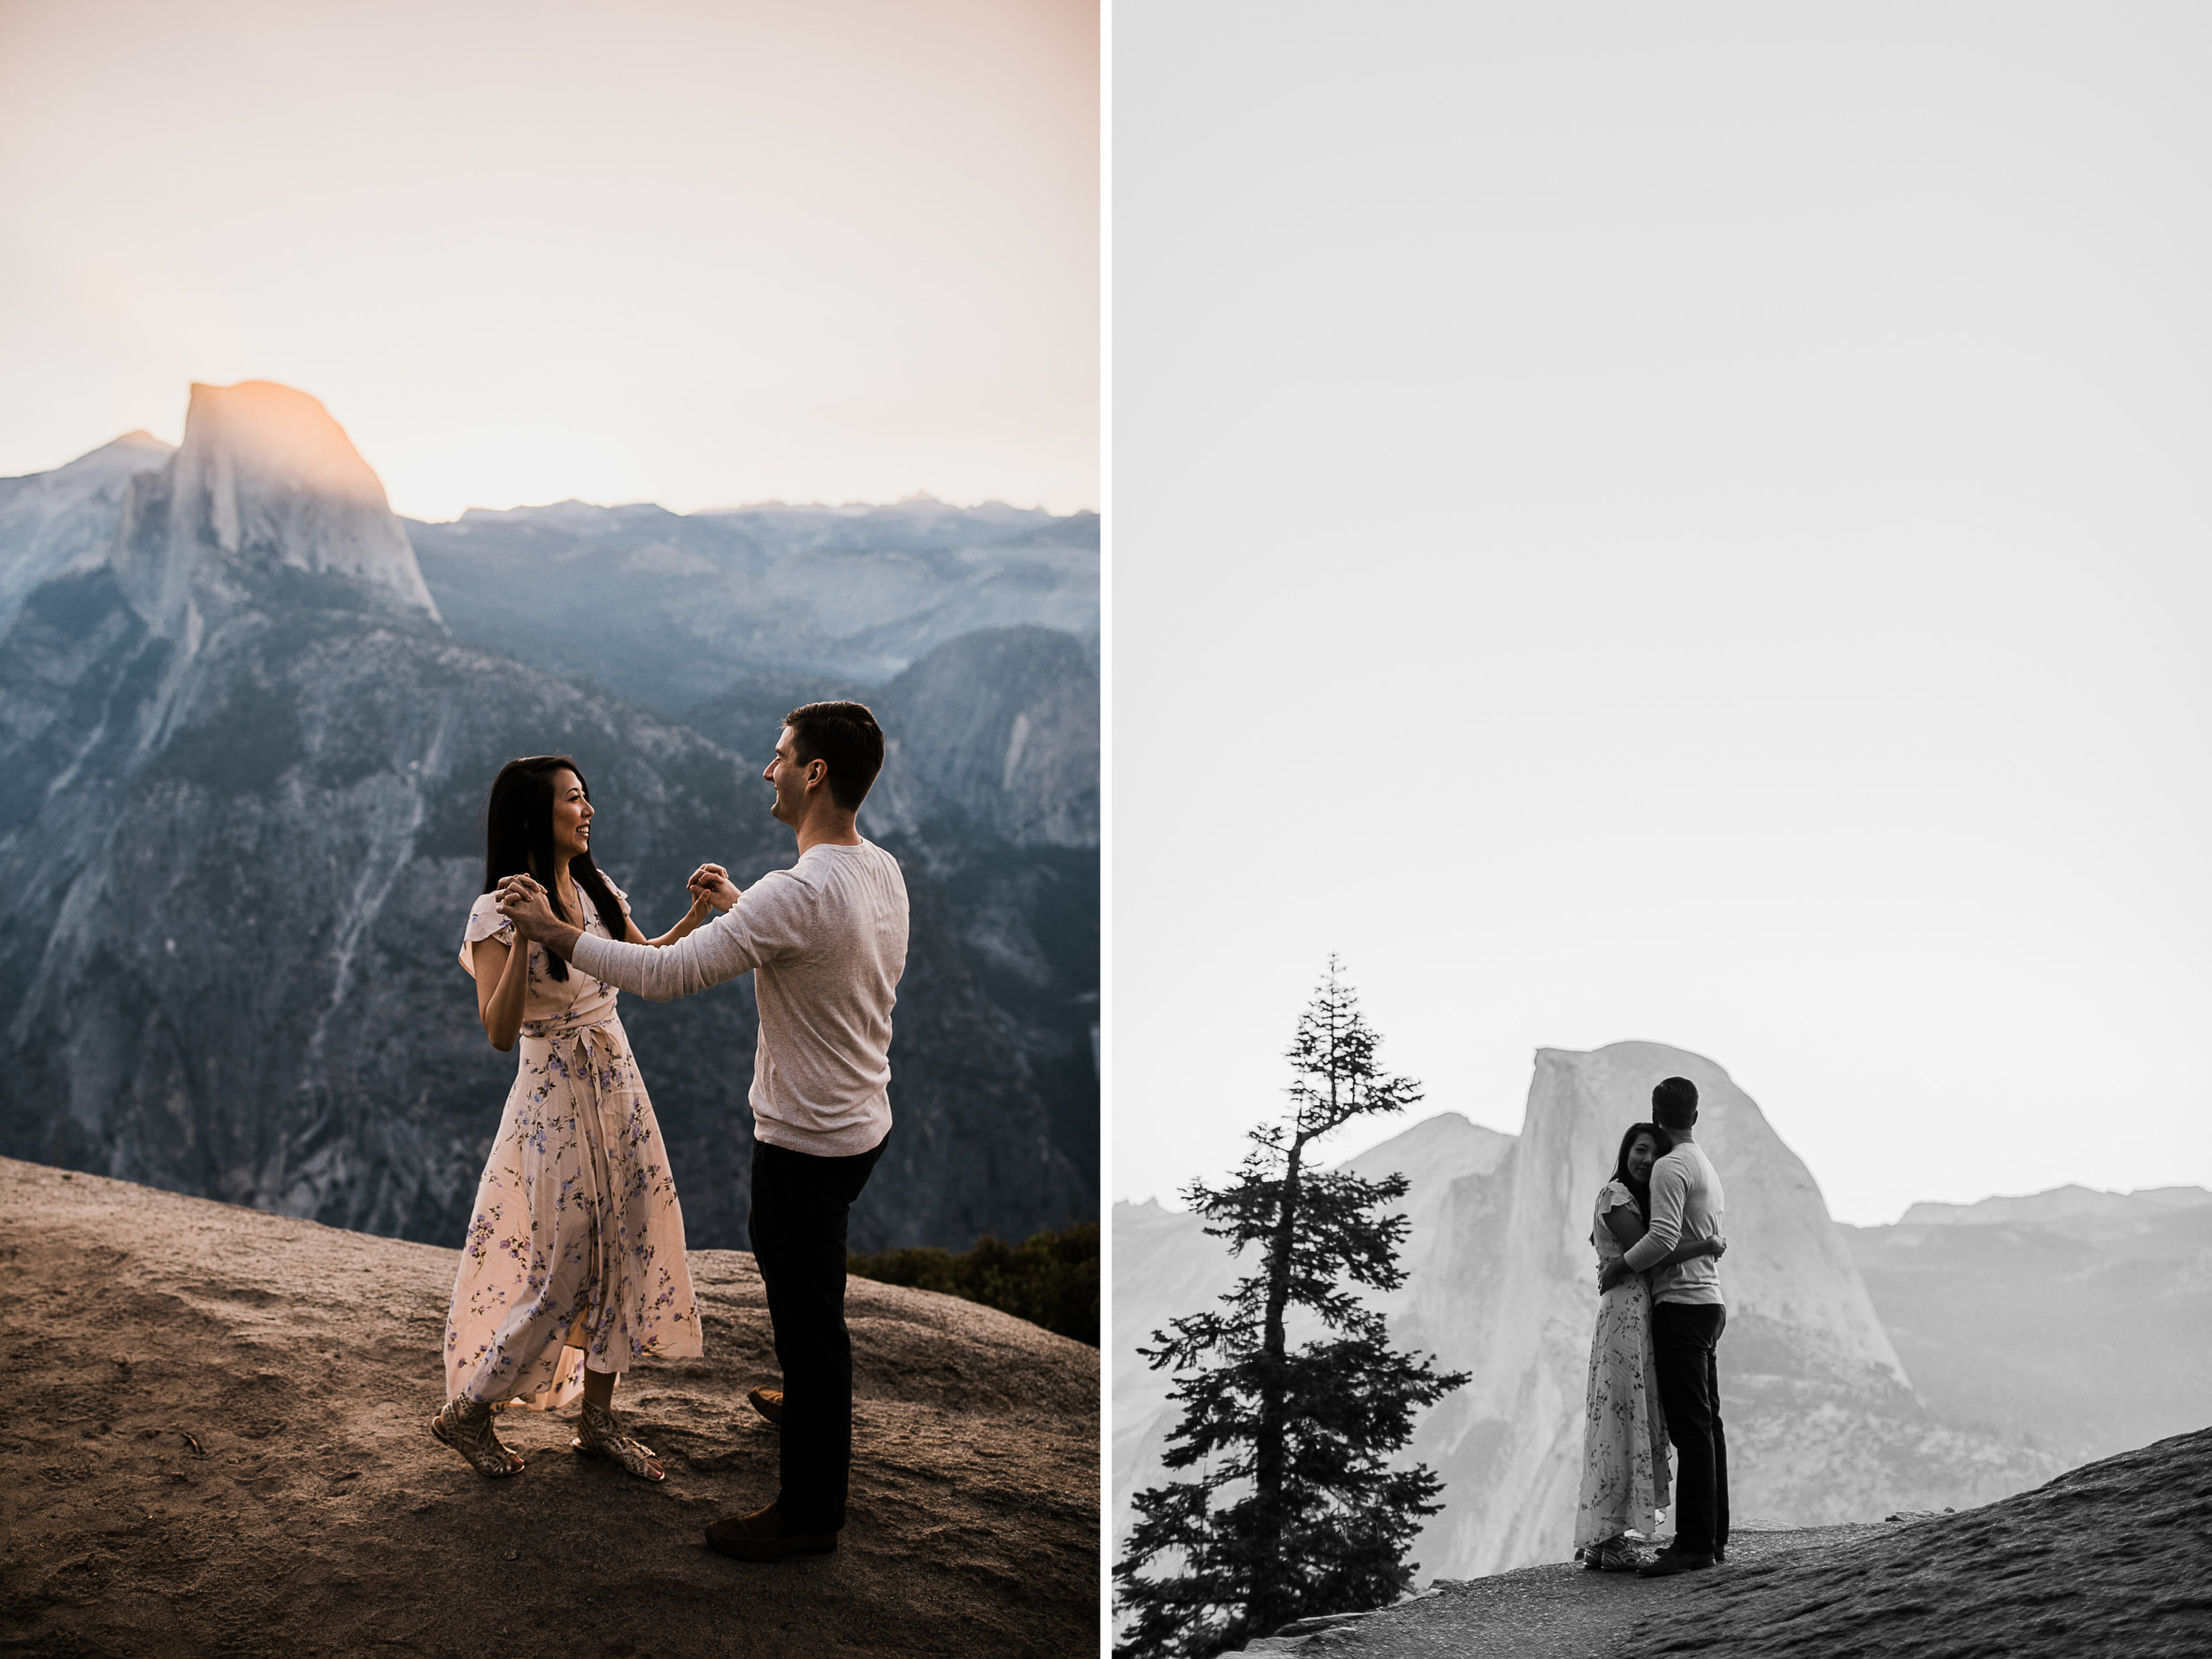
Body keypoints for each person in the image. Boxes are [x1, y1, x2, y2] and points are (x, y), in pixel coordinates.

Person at [496, 701, 909, 1563]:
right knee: (815, 1293)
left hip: (805, 1142)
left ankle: (808, 1512)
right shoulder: (880, 872)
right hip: (864, 1124)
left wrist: (551, 931)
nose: (769, 769)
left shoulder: (795, 893)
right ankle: (810, 1401)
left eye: (779, 756)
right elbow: (829, 945)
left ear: (814, 774)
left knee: (808, 1319)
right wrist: (739, 908)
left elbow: (663, 976)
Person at [432, 754, 711, 1483]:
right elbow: (499, 1031)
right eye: (574, 799)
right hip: (551, 1087)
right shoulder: (493, 913)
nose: (588, 811)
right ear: (535, 814)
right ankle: (469, 1409)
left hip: (615, 1077)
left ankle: (599, 1419)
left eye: (586, 798)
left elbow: (641, 964)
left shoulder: (594, 888)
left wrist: (695, 918)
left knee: (630, 1236)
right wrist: (529, 932)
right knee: (570, 1255)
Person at [1576, 1122, 1726, 1570]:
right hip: (1625, 1317)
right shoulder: (1615, 1196)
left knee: (1633, 1420)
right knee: (1621, 1421)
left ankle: (1608, 1538)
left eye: (1654, 1153)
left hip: (1643, 1316)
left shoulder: (1633, 1198)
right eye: (1640, 1150)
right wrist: (1707, 1243)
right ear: (1626, 1151)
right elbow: (1657, 1246)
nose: (1647, 1160)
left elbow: (1651, 1245)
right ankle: (1608, 1536)